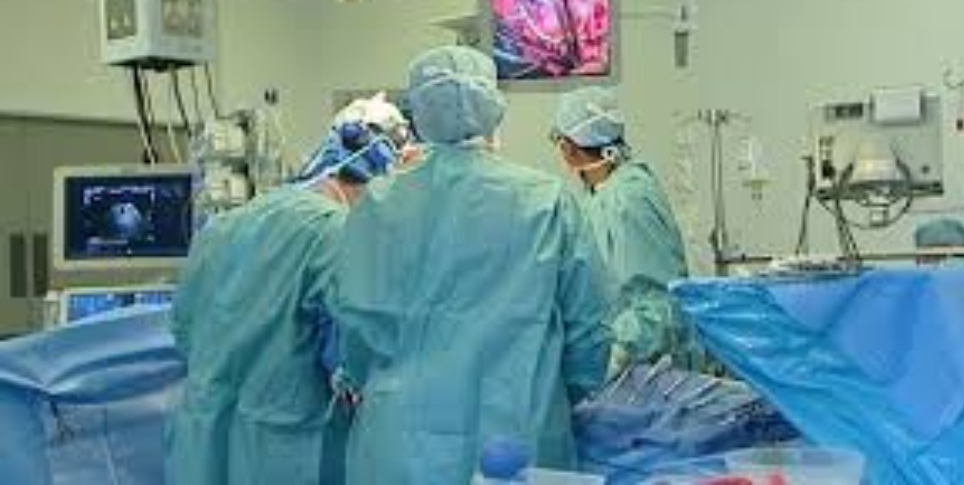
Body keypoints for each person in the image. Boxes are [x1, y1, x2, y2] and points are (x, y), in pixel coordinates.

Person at [329, 46, 612, 485]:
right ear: (493, 107)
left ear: (419, 113)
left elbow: (356, 332)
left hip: (400, 445)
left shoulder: (379, 205)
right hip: (515, 439)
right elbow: (588, 336)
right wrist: (553, 395)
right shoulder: (544, 201)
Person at [165, 97, 406, 485]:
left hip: (203, 444)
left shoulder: (223, 227)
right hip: (285, 450)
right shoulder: (336, 232)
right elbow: (355, 356)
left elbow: (184, 330)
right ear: (377, 182)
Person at [550, 86, 697, 376]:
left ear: (568, 149)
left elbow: (658, 306)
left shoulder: (628, 200)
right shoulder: (599, 196)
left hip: (651, 374)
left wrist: (616, 353)